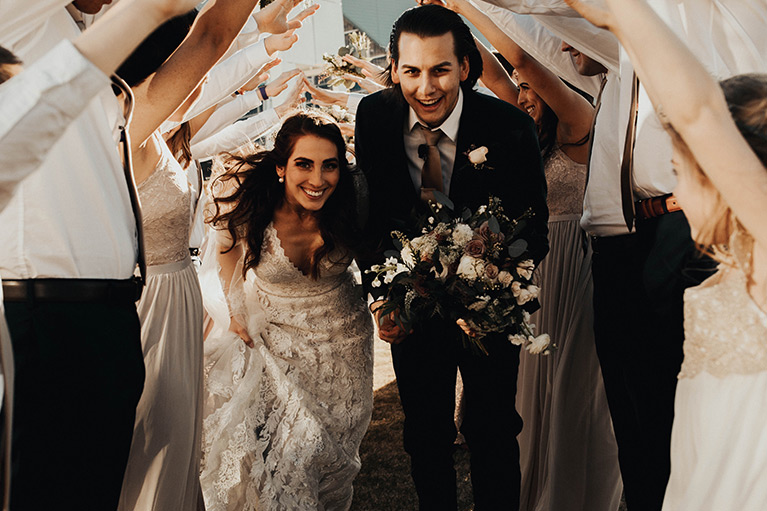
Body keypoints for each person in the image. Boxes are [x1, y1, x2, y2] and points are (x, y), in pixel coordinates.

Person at [0, 0, 219, 507]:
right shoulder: (18, 19)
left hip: (112, 318)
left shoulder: (95, 46)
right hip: (40, 316)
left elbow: (199, 38)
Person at [566, 1, 767, 509]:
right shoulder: (727, 275)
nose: (676, 190)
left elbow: (699, 111)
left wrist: (621, 13)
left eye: (682, 171)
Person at [422, 1, 621, 509]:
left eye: (531, 88)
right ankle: (532, 488)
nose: (523, 96)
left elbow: (524, 63)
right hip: (535, 271)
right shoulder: (534, 128)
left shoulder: (580, 119)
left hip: (573, 266)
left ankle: (569, 493)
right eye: (521, 92)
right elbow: (500, 74)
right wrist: (447, 21)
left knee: (569, 386)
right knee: (528, 393)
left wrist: (464, 2)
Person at [355, 5, 548, 509]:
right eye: (412, 71)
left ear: (464, 66)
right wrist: (382, 300)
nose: (426, 87)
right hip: (412, 314)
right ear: (395, 69)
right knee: (423, 437)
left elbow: (536, 228)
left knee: (493, 434)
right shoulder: (373, 118)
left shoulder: (508, 127)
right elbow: (369, 222)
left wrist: (486, 276)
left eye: (440, 69)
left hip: (489, 315)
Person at [200, 111, 374, 510]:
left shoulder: (355, 197)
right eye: (304, 164)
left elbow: (380, 256)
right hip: (275, 342)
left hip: (345, 344)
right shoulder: (247, 201)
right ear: (281, 167)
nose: (318, 180)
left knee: (335, 457)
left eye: (329, 166)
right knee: (293, 453)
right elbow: (226, 247)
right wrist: (235, 308)